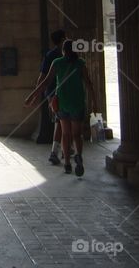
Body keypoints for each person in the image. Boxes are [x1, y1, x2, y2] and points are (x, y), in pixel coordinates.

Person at [26, 39, 98, 177]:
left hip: (62, 103)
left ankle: (67, 164)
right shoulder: (80, 63)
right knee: (77, 134)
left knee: (65, 134)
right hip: (77, 103)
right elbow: (89, 84)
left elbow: (46, 82)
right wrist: (95, 102)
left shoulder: (57, 62)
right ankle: (79, 156)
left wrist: (32, 96)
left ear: (63, 51)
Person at [31, 29, 67, 163]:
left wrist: (37, 93)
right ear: (63, 40)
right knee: (61, 122)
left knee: (61, 122)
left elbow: (42, 76)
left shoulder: (50, 55)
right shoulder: (63, 56)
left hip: (51, 93)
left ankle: (63, 149)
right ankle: (57, 151)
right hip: (57, 93)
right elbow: (44, 77)